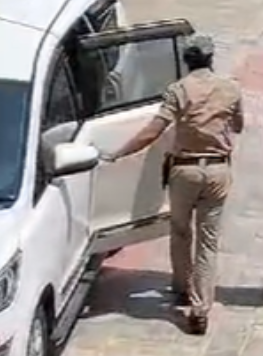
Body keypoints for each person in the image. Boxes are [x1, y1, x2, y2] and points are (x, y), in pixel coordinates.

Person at [102, 34, 243, 335]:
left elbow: (153, 131)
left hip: (185, 171)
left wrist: (117, 152)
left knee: (180, 231)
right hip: (218, 170)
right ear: (211, 58)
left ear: (186, 60)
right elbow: (239, 125)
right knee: (208, 242)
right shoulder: (230, 88)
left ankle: (181, 285)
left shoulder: (178, 90)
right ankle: (200, 306)